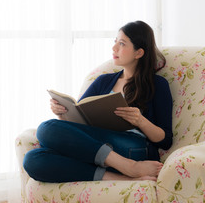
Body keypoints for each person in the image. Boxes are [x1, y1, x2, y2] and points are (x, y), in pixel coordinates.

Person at [23, 21, 173, 183]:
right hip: (95, 149)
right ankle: (120, 176)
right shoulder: (103, 81)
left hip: (132, 148)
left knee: (46, 128)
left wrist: (140, 121)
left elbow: (165, 140)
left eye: (121, 44)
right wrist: (63, 114)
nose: (114, 48)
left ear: (139, 53)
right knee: (33, 159)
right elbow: (78, 121)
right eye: (115, 41)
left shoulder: (157, 84)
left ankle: (130, 166)